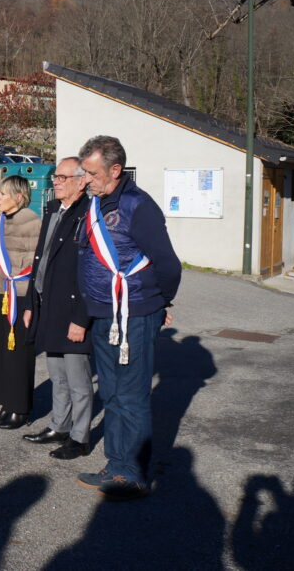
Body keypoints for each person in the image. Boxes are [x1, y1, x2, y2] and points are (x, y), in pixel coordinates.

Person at [75, 135, 181, 502]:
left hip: (133, 313)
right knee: (112, 393)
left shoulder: (139, 206)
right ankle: (115, 464)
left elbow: (168, 264)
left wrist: (158, 302)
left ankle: (133, 473)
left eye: (91, 172)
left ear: (115, 170)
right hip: (103, 313)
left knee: (132, 394)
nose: (85, 179)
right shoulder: (97, 204)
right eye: (84, 172)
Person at [22, 157, 93, 459]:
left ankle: (80, 437)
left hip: (73, 308)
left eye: (63, 177)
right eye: (55, 176)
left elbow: (92, 272)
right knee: (57, 374)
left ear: (81, 181)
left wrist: (81, 318)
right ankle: (59, 425)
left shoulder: (89, 212)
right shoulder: (53, 209)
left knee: (78, 379)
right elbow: (40, 258)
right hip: (48, 303)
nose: (56, 181)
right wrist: (30, 303)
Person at [0, 175, 42, 429]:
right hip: (0, 292)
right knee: (1, 352)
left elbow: (34, 263)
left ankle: (20, 407)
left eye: (3, 194)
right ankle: (5, 403)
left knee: (18, 354)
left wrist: (27, 294)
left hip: (19, 293)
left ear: (19, 196)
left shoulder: (32, 222)